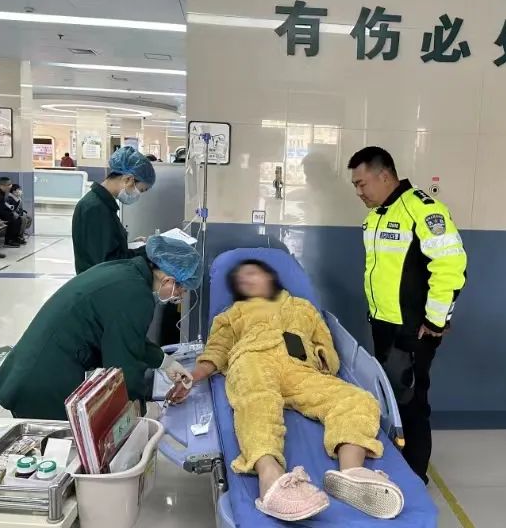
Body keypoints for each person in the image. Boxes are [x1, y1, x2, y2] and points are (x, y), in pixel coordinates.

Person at [169, 260, 404, 522]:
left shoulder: (304, 308)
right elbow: (216, 351)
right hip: (253, 359)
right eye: (240, 281)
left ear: (270, 277)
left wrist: (322, 356)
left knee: (356, 400)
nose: (246, 281)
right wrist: (192, 377)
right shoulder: (233, 313)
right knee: (257, 401)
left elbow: (325, 343)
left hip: (299, 368)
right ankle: (270, 478)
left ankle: (352, 474)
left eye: (251, 274)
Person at [347, 147, 467, 485]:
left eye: (361, 183)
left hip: (413, 329)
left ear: (384, 175)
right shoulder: (377, 215)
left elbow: (450, 266)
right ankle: (398, 466)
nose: (358, 192)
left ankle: (414, 478)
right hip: (384, 324)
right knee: (391, 399)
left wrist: (436, 320)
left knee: (411, 402)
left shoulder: (422, 210)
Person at [0, 235, 200, 420]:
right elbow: (122, 364)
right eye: (181, 290)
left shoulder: (125, 271)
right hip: (45, 382)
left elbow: (128, 338)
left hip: (31, 367)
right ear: (168, 280)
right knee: (56, 449)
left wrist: (166, 362)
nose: (179, 296)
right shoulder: (136, 295)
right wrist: (138, 409)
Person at [72, 146, 156, 274]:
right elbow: (107, 263)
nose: (138, 195)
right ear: (128, 179)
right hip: (98, 282)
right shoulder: (95, 208)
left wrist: (128, 245)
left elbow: (105, 248)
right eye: (141, 190)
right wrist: (147, 250)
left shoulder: (102, 204)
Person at [0, 177, 24, 248]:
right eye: (8, 185)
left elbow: (3, 205)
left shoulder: (2, 192)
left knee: (18, 219)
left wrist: (11, 212)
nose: (10, 186)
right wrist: (11, 213)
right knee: (12, 218)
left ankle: (15, 238)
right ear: (1, 186)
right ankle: (8, 241)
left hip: (0, 210)